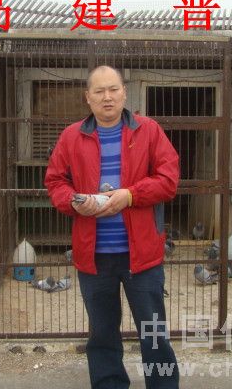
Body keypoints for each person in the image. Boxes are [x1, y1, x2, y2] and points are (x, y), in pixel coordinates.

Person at [45, 65, 180, 389]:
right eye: (99, 91)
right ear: (88, 97)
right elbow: (55, 181)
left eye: (113, 89)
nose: (107, 97)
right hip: (94, 257)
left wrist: (130, 195)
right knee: (102, 333)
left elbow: (168, 179)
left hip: (142, 256)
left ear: (124, 93)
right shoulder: (72, 136)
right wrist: (74, 201)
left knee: (154, 334)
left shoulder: (148, 131)